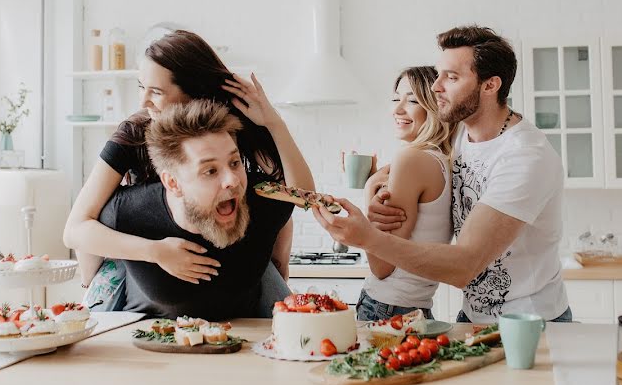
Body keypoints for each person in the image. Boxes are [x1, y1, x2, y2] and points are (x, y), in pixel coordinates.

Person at [314, 26, 571, 324]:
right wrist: (376, 186)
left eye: (452, 77)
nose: (436, 87)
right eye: (439, 74)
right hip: (473, 317)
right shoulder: (461, 132)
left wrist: (369, 238)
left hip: (530, 323)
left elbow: (465, 266)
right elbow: (413, 162)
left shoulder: (525, 156)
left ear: (490, 86)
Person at [63, 29, 308, 313]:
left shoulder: (228, 131)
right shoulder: (133, 134)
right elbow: (77, 229)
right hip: (148, 257)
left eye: (156, 91)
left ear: (194, 92)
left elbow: (300, 197)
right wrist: (154, 252)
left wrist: (272, 122)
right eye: (141, 87)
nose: (143, 102)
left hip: (233, 257)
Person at [96, 100, 296, 318]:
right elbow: (81, 234)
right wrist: (152, 252)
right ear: (173, 183)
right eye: (210, 171)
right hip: (148, 340)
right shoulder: (129, 211)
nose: (232, 180)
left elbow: (288, 210)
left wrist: (280, 264)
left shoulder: (265, 202)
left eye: (235, 162)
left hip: (244, 342)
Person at [356, 66, 457, 321]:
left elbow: (381, 267)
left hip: (386, 308)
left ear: (434, 107)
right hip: (415, 308)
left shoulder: (411, 159)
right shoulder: (442, 160)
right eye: (396, 98)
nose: (397, 109)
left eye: (412, 100)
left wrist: (369, 189)